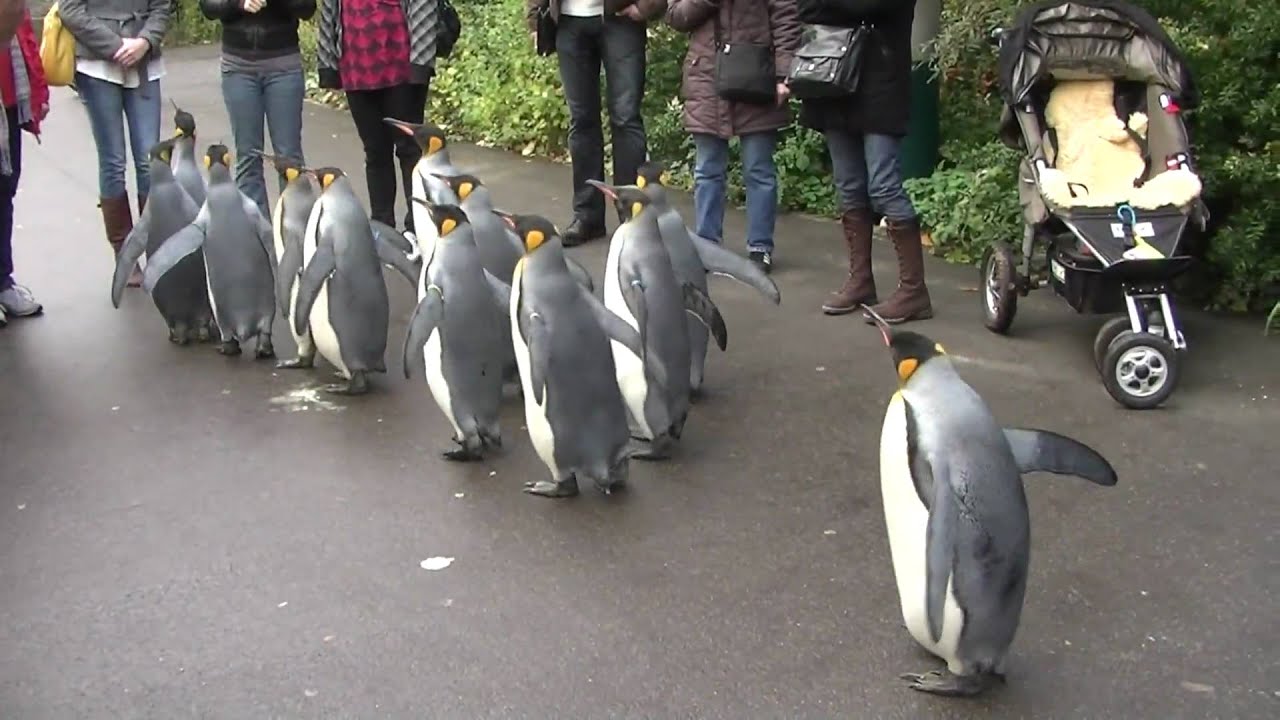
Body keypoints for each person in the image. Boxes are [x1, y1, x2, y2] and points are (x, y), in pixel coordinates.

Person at [797, 0, 933, 324]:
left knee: (884, 187)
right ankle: (860, 281)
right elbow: (805, 9)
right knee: (848, 187)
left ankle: (914, 291)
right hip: (833, 79)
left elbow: (869, 6)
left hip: (880, 84)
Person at [667, 0, 800, 274]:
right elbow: (676, 17)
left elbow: (786, 16)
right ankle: (707, 246)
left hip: (757, 74)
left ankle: (760, 248)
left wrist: (784, 73)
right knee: (707, 170)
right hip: (706, 78)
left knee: (759, 170)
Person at [525, 0, 668, 247]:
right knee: (581, 120)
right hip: (568, 23)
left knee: (626, 118)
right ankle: (587, 216)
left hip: (621, 19)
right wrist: (535, 17)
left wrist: (646, 5)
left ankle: (633, 217)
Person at [59, 0, 171, 290]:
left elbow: (162, 6)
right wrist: (115, 46)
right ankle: (125, 254)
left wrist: (145, 42)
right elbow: (70, 10)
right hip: (97, 66)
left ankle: (158, 249)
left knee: (151, 160)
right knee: (113, 161)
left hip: (145, 60)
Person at [316, 0, 441, 235]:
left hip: (402, 67)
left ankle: (418, 227)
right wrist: (327, 64)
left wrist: (420, 63)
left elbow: (423, 6)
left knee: (409, 150)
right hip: (356, 67)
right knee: (375, 151)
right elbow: (329, 11)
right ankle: (382, 226)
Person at [199, 0, 316, 217]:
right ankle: (257, 239)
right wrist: (238, 3)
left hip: (284, 66)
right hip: (238, 68)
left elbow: (307, 8)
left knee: (289, 157)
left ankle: (294, 237)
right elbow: (208, 7)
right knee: (248, 156)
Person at [0, 4, 49, 327]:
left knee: (5, 192)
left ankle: (3, 282)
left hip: (8, 100)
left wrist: (37, 88)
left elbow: (21, 26)